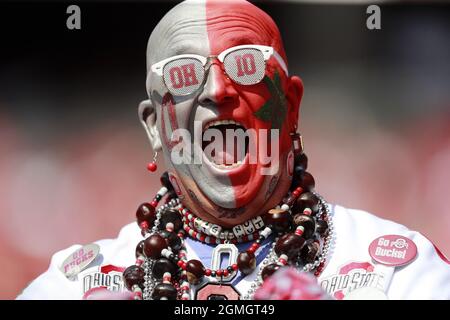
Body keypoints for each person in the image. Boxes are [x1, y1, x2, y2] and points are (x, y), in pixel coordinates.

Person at [17, 0, 450, 300]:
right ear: (153, 127)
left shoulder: (397, 272)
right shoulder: (76, 285)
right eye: (184, 73)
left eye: (246, 64)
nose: (219, 91)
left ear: (292, 107)